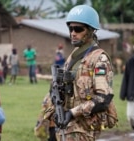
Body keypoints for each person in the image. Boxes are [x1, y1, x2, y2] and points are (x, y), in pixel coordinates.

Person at [44, 5, 117, 141]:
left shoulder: (99, 59)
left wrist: (72, 113)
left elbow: (103, 99)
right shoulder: (72, 57)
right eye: (71, 29)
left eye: (78, 29)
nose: (73, 33)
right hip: (65, 129)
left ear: (90, 31)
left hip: (84, 131)